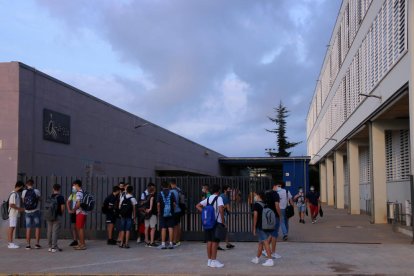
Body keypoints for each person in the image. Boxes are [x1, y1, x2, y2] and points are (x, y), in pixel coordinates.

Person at [196, 184, 225, 268]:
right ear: (218, 191)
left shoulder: (208, 198)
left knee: (209, 241)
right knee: (215, 242)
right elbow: (221, 209)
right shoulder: (219, 198)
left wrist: (205, 212)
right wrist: (223, 221)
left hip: (208, 223)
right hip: (217, 222)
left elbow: (197, 206)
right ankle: (214, 261)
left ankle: (209, 260)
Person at [251, 191, 274, 267]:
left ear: (259, 195)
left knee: (265, 242)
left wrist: (254, 227)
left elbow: (255, 216)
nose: (255, 196)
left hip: (260, 227)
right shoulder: (265, 204)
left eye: (256, 195)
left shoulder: (256, 205)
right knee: (261, 243)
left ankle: (270, 260)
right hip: (266, 226)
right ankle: (257, 258)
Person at [22, 179, 42, 249]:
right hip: (36, 211)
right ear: (33, 184)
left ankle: (28, 245)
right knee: (37, 227)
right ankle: (37, 244)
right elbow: (40, 199)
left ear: (26, 184)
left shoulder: (24, 192)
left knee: (28, 228)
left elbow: (23, 201)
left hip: (27, 212)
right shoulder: (36, 191)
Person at [264, 183, 282, 259]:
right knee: (274, 234)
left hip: (268, 215)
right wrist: (280, 215)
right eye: (278, 186)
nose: (279, 187)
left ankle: (265, 249)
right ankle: (273, 252)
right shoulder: (275, 194)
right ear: (274, 186)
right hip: (275, 216)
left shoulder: (267, 194)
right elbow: (277, 205)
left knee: (271, 233)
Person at [46, 183, 65, 252]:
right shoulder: (61, 197)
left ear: (53, 189)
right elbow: (62, 207)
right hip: (57, 216)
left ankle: (49, 247)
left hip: (49, 215)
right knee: (55, 232)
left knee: (49, 231)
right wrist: (61, 213)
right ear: (59, 189)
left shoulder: (49, 196)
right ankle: (54, 247)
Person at [157, 181, 176, 249]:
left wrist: (159, 212)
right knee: (170, 228)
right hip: (171, 213)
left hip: (162, 213)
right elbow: (174, 204)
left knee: (163, 228)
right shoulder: (172, 193)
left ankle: (163, 244)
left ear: (162, 186)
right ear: (168, 186)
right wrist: (173, 210)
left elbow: (158, 204)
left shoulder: (160, 193)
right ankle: (171, 243)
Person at [7, 181, 25, 249]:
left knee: (12, 227)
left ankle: (10, 242)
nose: (22, 189)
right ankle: (10, 243)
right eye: (22, 187)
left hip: (14, 214)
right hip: (12, 214)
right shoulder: (13, 194)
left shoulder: (16, 194)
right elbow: (11, 205)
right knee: (11, 227)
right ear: (20, 186)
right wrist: (20, 209)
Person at [218, 185, 234, 250]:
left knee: (224, 229)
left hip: (221, 214)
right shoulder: (224, 196)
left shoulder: (221, 196)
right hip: (223, 214)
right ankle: (218, 245)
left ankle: (227, 243)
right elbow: (228, 207)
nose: (230, 190)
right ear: (225, 190)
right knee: (223, 229)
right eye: (228, 189)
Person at [72, 179, 87, 250]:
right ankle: (81, 243)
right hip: (83, 212)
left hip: (80, 213)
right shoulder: (83, 192)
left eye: (74, 185)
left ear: (77, 185)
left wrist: (74, 210)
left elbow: (78, 203)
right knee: (80, 228)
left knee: (80, 229)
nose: (73, 186)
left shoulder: (78, 193)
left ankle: (82, 245)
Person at [170, 180, 182, 246]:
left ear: (172, 184)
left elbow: (172, 202)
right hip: (179, 210)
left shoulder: (172, 192)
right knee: (177, 225)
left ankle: (173, 240)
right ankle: (178, 240)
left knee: (173, 226)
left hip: (174, 210)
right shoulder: (179, 190)